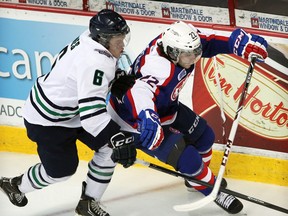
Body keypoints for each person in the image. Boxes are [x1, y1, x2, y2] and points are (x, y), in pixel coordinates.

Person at [108, 21, 268, 214]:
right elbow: (139, 92)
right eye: (188, 54)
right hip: (136, 121)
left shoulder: (178, 41)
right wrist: (147, 116)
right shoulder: (157, 69)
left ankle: (197, 181)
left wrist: (237, 43)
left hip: (166, 107)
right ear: (173, 53)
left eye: (195, 52)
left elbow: (206, 42)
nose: (193, 58)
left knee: (205, 136)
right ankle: (211, 189)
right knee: (187, 158)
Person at [0, 9, 137, 216]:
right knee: (61, 172)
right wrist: (116, 137)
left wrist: (116, 77)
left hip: (71, 112)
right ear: (104, 39)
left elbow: (85, 85)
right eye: (119, 40)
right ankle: (16, 185)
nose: (123, 45)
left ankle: (88, 202)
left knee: (109, 148)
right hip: (47, 121)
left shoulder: (91, 38)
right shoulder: (96, 62)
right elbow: (92, 115)